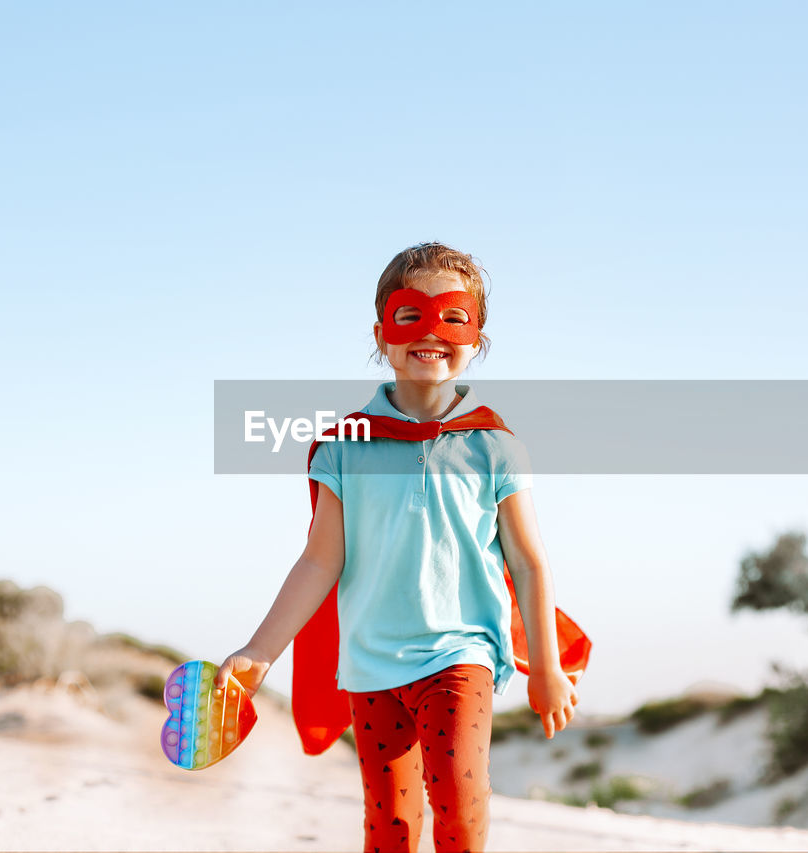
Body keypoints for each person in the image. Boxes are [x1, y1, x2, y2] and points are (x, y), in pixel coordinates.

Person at [216, 242, 579, 853]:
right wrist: (259, 652)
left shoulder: (496, 447)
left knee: (459, 813)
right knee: (391, 827)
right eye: (411, 315)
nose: (430, 332)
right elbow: (319, 560)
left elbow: (528, 561)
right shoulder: (344, 448)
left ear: (478, 336)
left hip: (461, 653)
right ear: (383, 332)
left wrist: (544, 665)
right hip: (371, 664)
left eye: (453, 316)